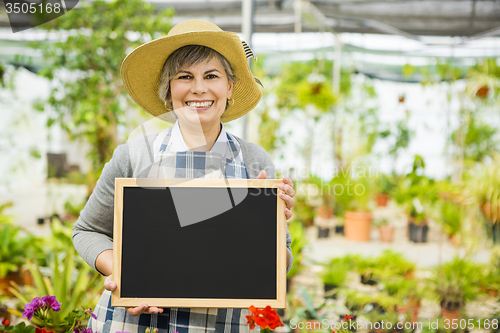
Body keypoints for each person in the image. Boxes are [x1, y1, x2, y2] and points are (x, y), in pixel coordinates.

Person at [72, 19, 295, 333]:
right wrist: (125, 273)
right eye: (185, 76)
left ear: (230, 87)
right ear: (168, 90)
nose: (199, 87)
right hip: (137, 322)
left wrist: (266, 227)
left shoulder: (254, 160)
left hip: (222, 325)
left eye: (211, 75)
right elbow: (87, 231)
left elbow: (281, 259)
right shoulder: (134, 155)